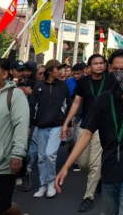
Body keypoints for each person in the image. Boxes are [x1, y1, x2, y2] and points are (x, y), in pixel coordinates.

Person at [55, 49, 123, 215]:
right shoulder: (103, 99)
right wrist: (66, 166)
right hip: (109, 169)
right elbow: (87, 132)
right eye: (115, 69)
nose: (118, 74)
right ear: (109, 69)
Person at [60, 54, 113, 212]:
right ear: (89, 67)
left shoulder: (110, 80)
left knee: (95, 162)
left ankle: (88, 197)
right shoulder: (83, 81)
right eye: (95, 63)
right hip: (85, 125)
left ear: (105, 65)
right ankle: (98, 178)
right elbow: (77, 102)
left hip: (102, 126)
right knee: (83, 162)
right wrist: (66, 123)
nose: (98, 66)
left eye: (101, 63)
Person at [0, 58, 30, 215]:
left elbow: (21, 126)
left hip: (1, 166)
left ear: (4, 74)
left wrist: (17, 154)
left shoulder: (15, 95)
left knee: (0, 207)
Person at [31, 59, 72, 199]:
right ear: (49, 71)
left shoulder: (63, 86)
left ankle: (51, 183)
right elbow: (32, 106)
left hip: (57, 125)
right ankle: (43, 185)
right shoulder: (38, 86)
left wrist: (68, 124)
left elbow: (68, 105)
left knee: (50, 154)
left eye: (61, 69)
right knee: (41, 156)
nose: (60, 71)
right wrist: (30, 125)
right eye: (57, 69)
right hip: (41, 126)